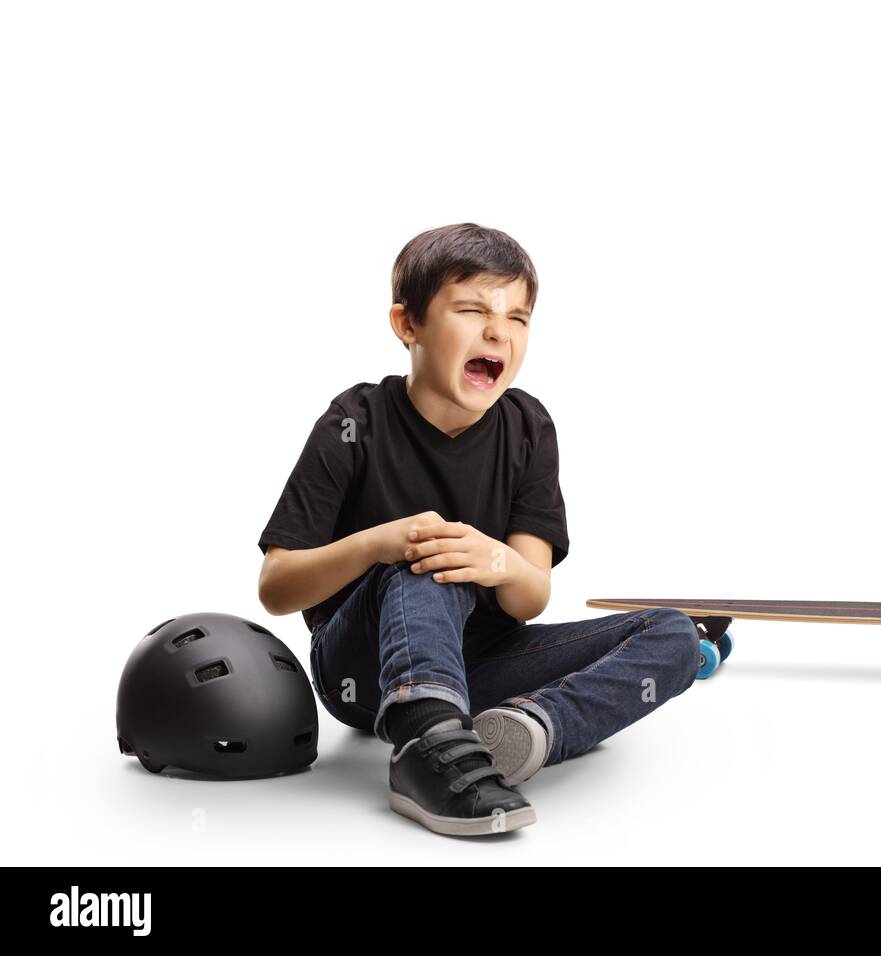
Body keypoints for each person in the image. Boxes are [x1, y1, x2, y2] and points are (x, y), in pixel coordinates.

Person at [256, 223, 699, 836]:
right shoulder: (353, 421)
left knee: (673, 632)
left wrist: (498, 561)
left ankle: (529, 729)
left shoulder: (528, 427)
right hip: (363, 672)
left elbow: (530, 595)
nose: (499, 332)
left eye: (518, 318)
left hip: (479, 666)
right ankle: (422, 747)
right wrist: (380, 543)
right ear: (407, 325)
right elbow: (277, 587)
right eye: (472, 310)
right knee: (427, 561)